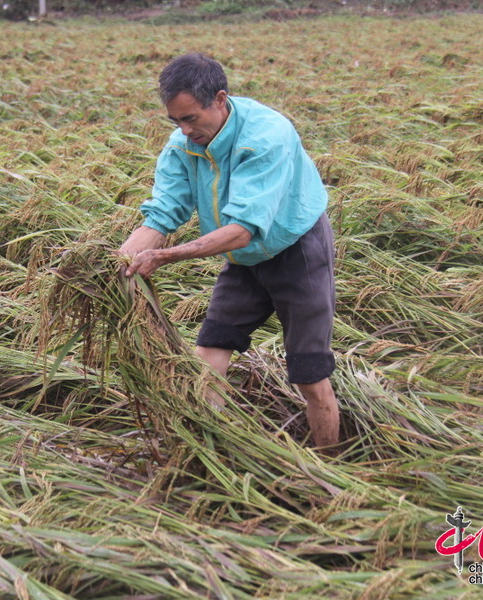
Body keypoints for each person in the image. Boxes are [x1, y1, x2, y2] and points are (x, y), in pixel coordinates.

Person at [118, 53, 340, 452]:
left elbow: (243, 230)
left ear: (220, 99)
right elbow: (162, 214)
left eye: (191, 118)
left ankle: (332, 465)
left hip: (296, 252)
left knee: (309, 374)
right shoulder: (184, 145)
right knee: (209, 354)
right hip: (244, 260)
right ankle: (207, 450)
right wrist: (120, 262)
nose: (184, 131)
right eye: (175, 121)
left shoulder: (267, 135)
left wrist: (167, 257)